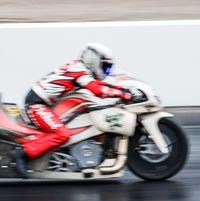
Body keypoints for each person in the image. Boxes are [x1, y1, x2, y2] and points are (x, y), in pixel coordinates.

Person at [10, 43, 132, 176]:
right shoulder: (78, 70)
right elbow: (97, 89)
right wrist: (121, 94)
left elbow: (98, 84)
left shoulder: (79, 69)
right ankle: (22, 152)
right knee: (62, 134)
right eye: (105, 67)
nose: (106, 71)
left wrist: (121, 88)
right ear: (96, 61)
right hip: (37, 105)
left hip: (45, 103)